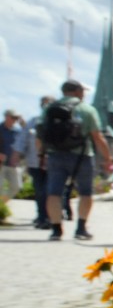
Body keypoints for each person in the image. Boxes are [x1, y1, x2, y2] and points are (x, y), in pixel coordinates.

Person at [39, 80, 113, 241]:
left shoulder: (49, 109)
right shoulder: (87, 110)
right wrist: (108, 158)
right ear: (78, 91)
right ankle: (81, 228)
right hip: (82, 156)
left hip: (55, 155)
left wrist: (41, 155)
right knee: (85, 193)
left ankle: (56, 230)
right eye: (83, 91)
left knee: (54, 193)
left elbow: (40, 134)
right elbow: (97, 137)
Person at [14, 97, 54, 227]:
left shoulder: (58, 122)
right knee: (40, 190)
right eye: (44, 104)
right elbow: (22, 139)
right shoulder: (33, 121)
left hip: (54, 163)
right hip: (34, 162)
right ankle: (42, 216)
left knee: (50, 190)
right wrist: (17, 154)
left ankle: (50, 216)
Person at [0, 110, 23, 206]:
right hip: (1, 164)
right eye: (13, 117)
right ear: (6, 117)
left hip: (13, 164)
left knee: (16, 187)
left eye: (16, 118)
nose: (15, 120)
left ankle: (1, 204)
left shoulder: (18, 131)